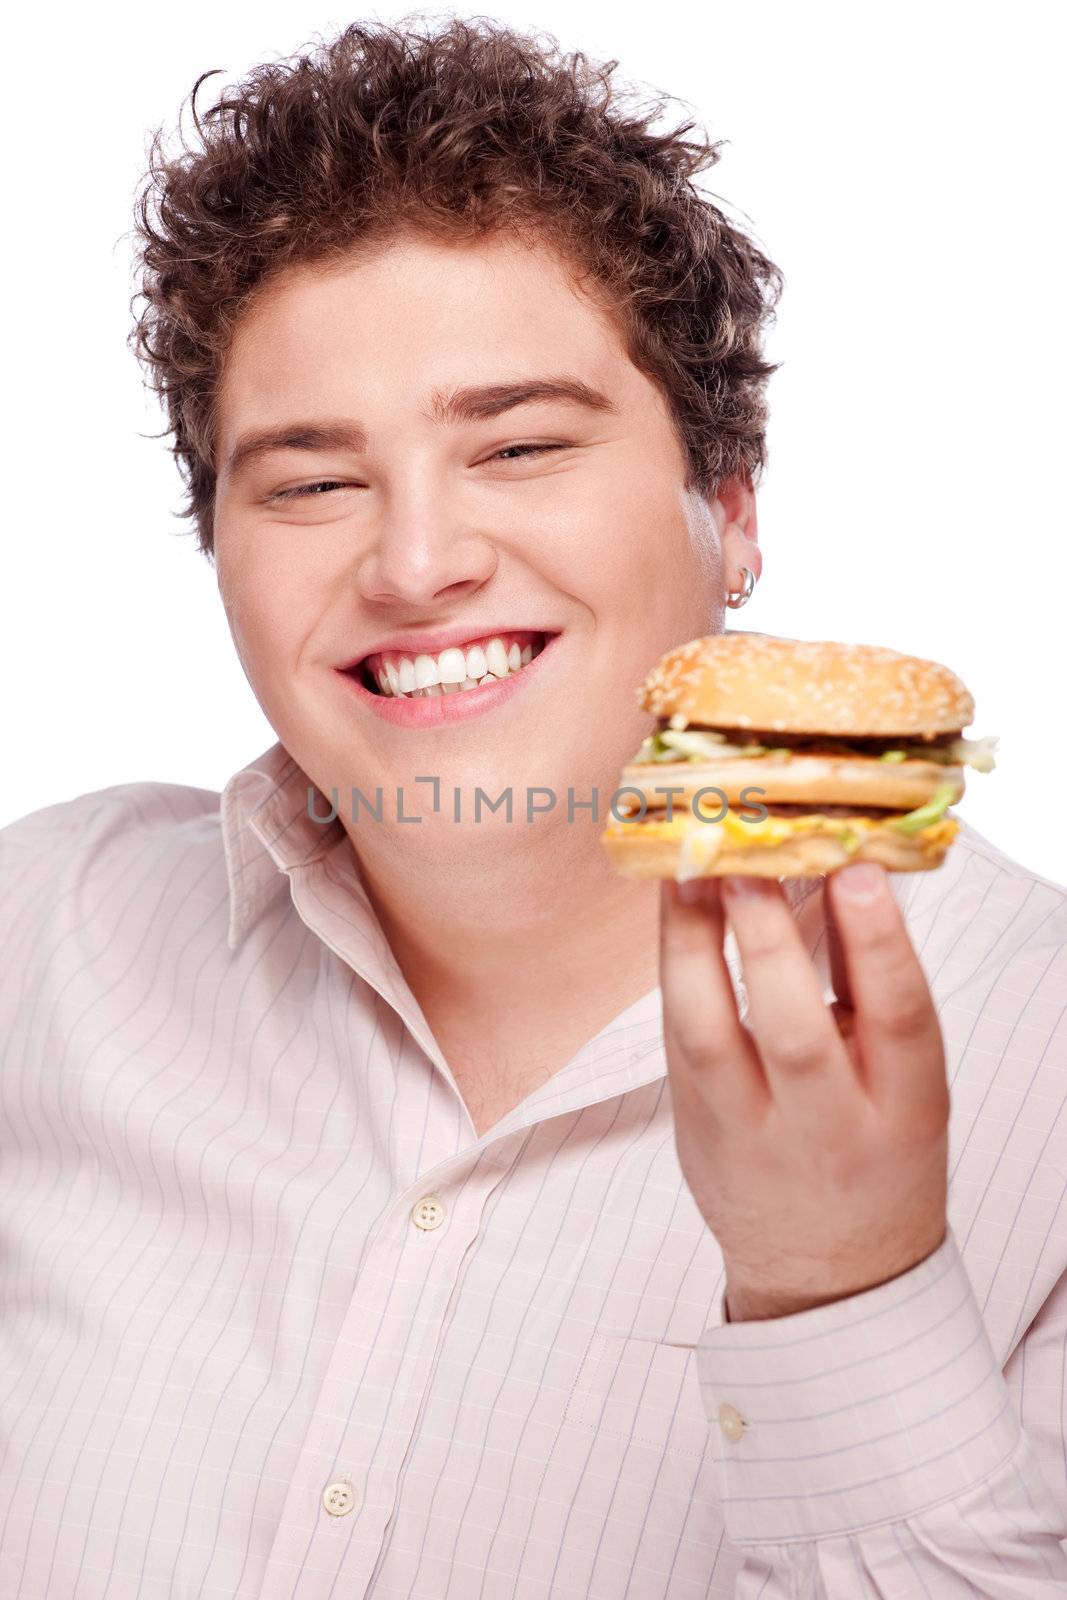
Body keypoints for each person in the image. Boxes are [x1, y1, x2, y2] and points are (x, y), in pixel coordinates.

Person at [1, 17, 1065, 1597]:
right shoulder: (48, 939)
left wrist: (837, 1287)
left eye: (520, 444)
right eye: (308, 482)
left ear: (734, 505)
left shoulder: (1043, 1061)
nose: (417, 562)